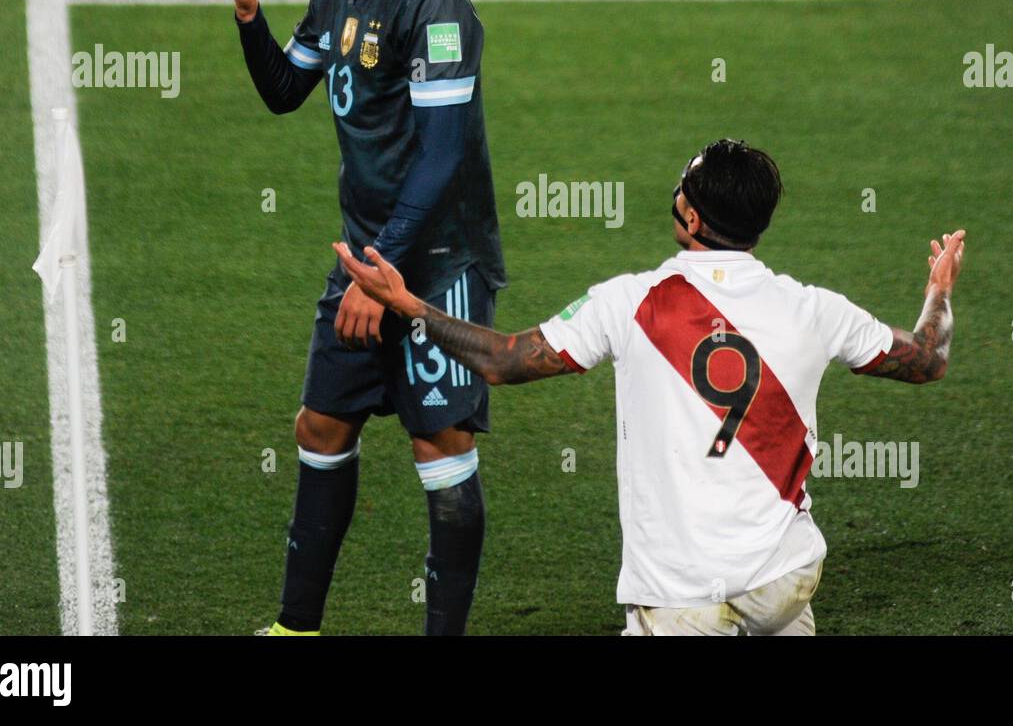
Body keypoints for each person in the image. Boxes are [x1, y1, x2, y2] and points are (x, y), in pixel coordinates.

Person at [333, 139, 965, 635]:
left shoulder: (629, 301)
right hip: (783, 580)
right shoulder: (814, 309)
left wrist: (410, 305)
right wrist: (938, 291)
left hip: (679, 596)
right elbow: (927, 357)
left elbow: (502, 360)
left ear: (689, 214)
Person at [227, 0, 506, 635]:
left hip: (438, 260)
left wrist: (378, 271)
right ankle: (295, 627)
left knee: (440, 446)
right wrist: (250, 14)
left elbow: (445, 157)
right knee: (321, 426)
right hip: (365, 255)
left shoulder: (435, 5)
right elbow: (286, 92)